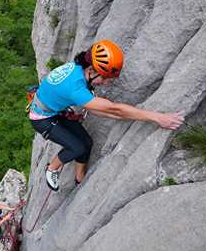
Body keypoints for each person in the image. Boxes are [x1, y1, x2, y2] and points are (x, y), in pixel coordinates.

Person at [29, 40, 185, 191]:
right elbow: (114, 109)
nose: (105, 83)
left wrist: (116, 114)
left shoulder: (78, 69)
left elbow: (103, 110)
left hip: (55, 110)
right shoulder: (75, 88)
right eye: (104, 77)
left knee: (87, 143)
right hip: (42, 119)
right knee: (77, 147)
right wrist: (158, 117)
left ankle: (79, 179)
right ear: (90, 69)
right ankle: (51, 169)